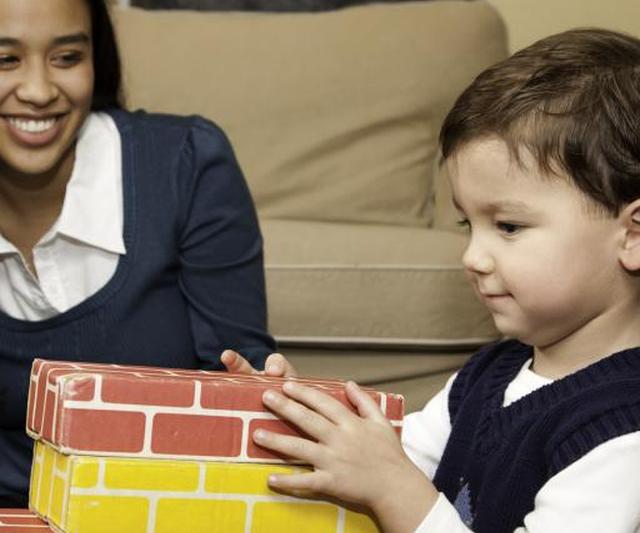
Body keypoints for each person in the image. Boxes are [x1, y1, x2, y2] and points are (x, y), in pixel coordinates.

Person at [0, 0, 294, 530]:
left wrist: (262, 397)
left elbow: (238, 378)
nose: (39, 90)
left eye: (67, 57)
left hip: (169, 515)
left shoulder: (188, 163)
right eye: (3, 59)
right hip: (22, 514)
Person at [252, 28, 640, 532]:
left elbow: (395, 484)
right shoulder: (489, 374)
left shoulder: (623, 433)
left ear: (632, 236)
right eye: (466, 224)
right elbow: (391, 460)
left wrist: (393, 488)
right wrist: (299, 414)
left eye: (508, 226)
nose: (473, 257)